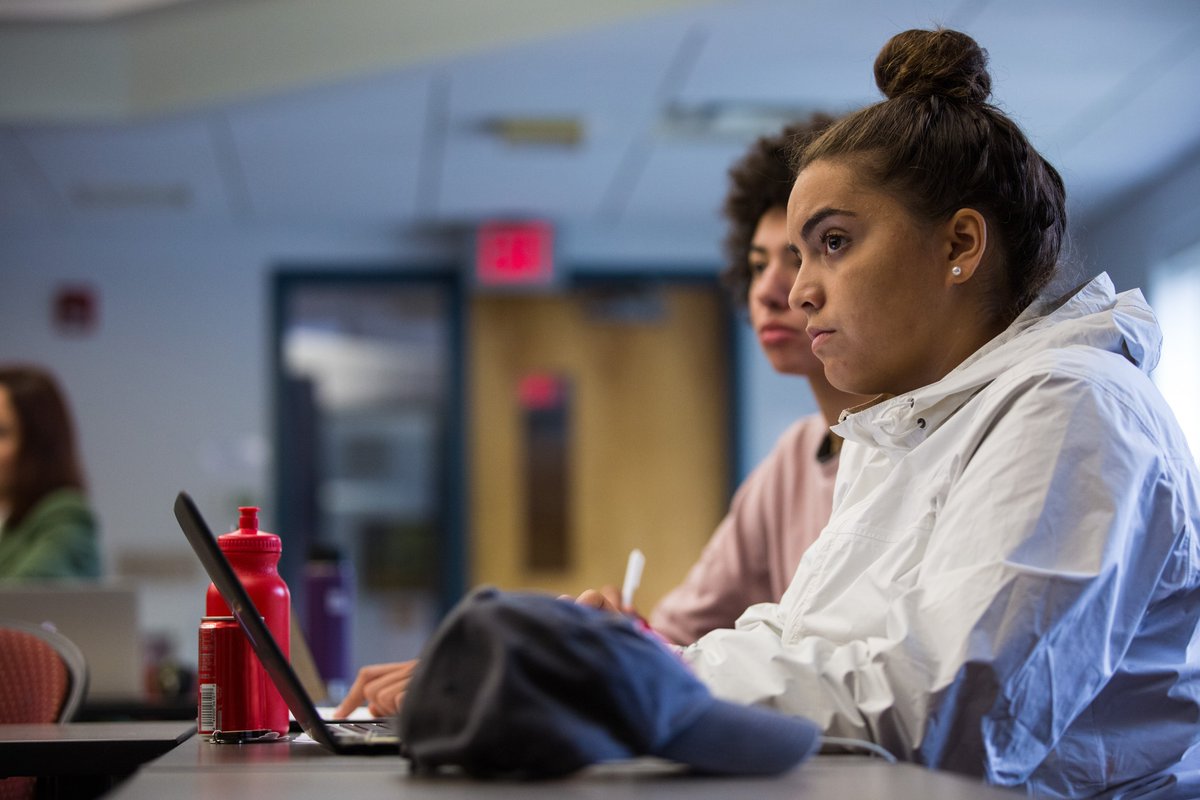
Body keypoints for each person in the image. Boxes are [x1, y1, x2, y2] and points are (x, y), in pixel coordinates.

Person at [622, 27, 1197, 798]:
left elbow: (943, 714)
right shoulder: (904, 428)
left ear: (960, 243)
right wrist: (639, 665)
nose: (797, 291)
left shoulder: (1073, 406)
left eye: (832, 243)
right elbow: (804, 638)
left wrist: (637, 681)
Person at [332, 117, 865, 718]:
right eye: (757, 262)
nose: (772, 290)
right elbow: (672, 635)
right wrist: (561, 643)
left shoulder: (917, 449)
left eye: (796, 259)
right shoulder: (793, 460)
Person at [0, 365, 101, 580]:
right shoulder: (8, 519)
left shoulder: (66, 514)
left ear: (38, 443)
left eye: (1, 432)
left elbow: (25, 597)